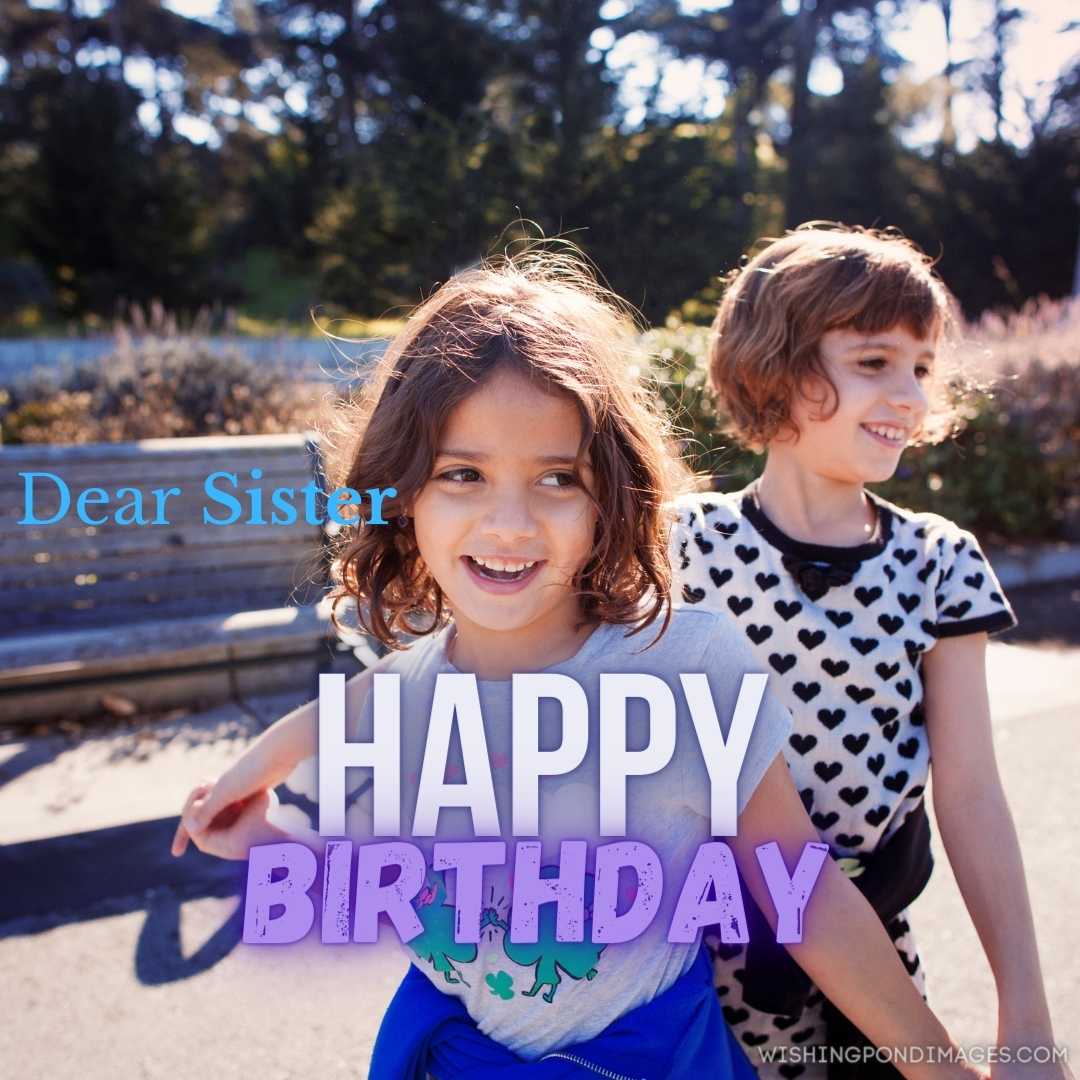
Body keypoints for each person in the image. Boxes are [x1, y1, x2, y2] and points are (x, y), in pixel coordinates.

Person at [173, 248, 979, 1080]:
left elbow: (804, 897)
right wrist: (262, 814)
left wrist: (942, 1072)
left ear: (612, 497)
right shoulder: (411, 687)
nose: (510, 523)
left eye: (558, 477)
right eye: (463, 474)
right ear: (402, 494)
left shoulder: (684, 667)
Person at [671, 224, 1068, 1080]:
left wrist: (1027, 1018)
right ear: (773, 367)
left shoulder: (940, 562)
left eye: (922, 369)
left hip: (873, 969)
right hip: (692, 973)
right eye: (874, 362)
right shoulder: (683, 549)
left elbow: (969, 793)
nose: (912, 397)